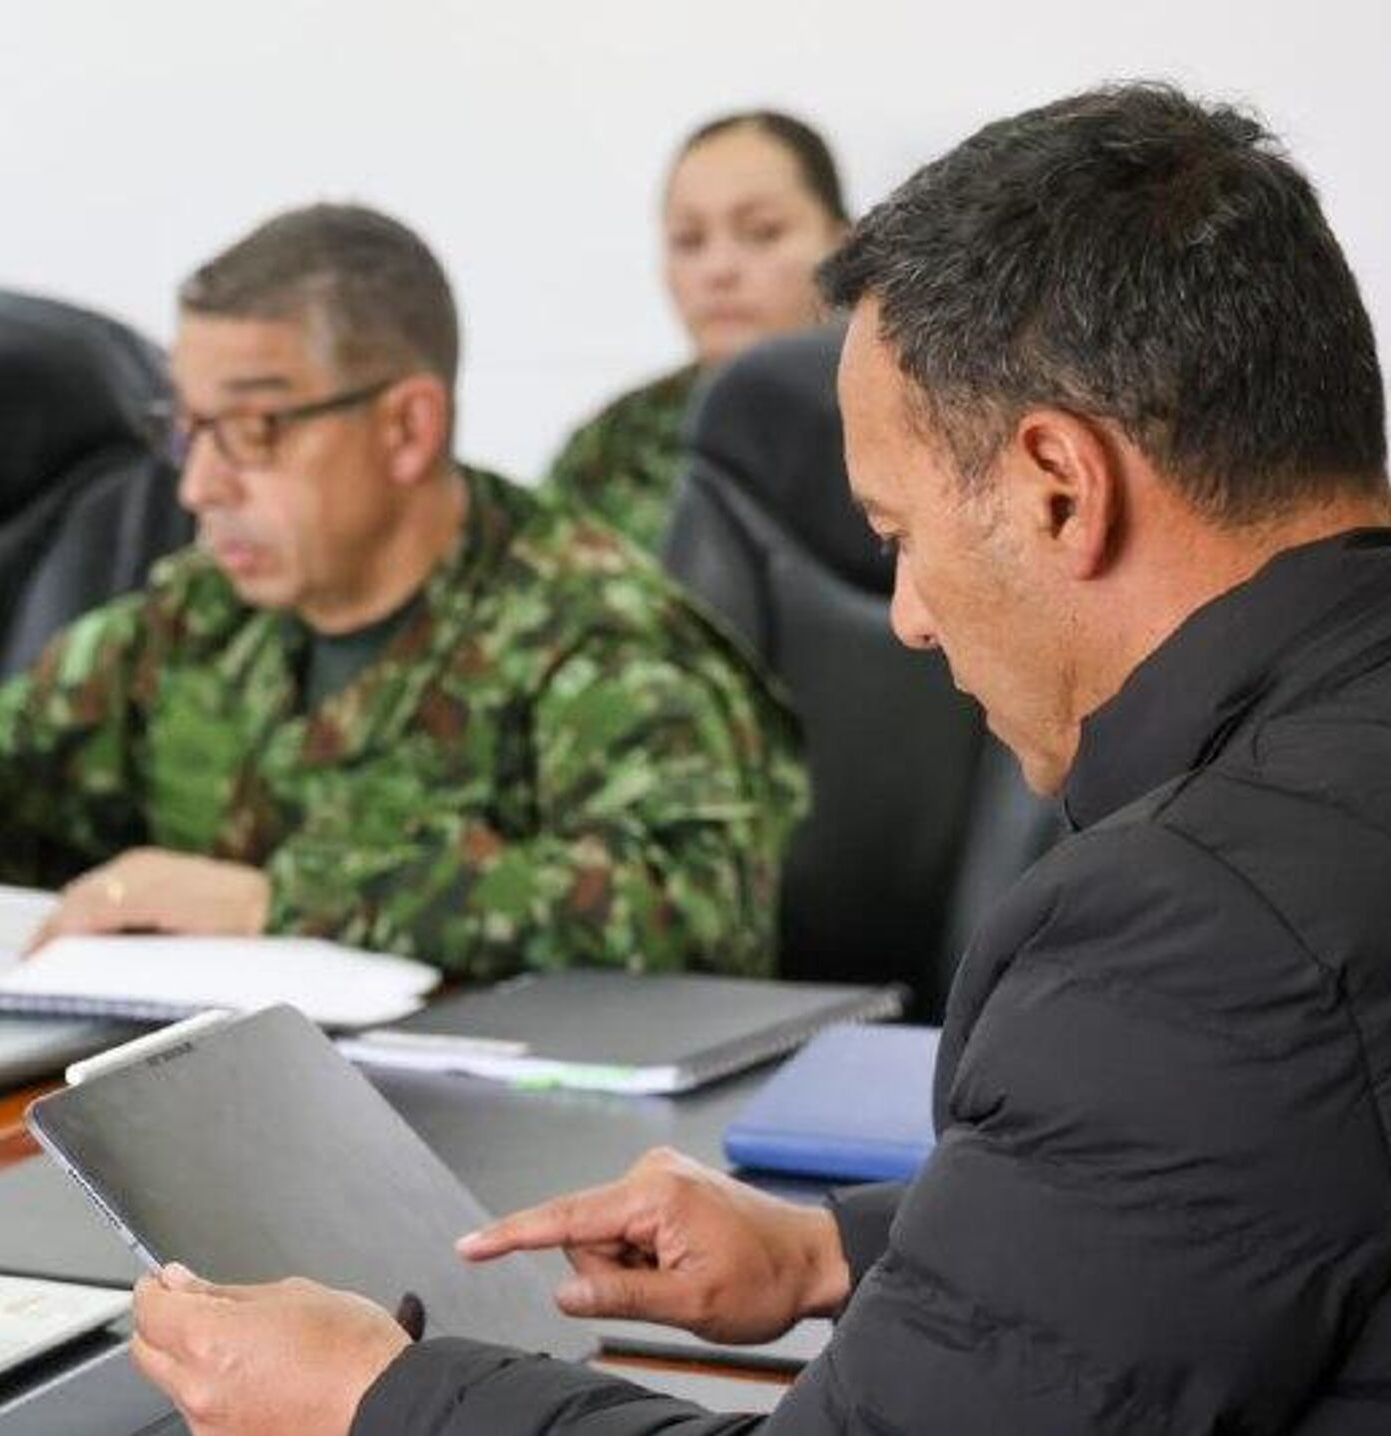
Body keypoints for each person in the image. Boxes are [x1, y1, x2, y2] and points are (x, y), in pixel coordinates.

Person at [128, 84, 1391, 1434]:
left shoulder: (1194, 923)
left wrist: (378, 1396)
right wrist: (836, 1248)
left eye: (898, 536)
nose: (907, 617)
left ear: (1059, 487)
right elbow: (1253, 1174)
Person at [0, 203, 804, 978]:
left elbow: (693, 910)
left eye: (254, 430)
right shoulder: (204, 614)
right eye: (188, 429)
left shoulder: (596, 632)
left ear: (407, 427)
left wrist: (277, 901)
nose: (201, 486)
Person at [547, 111, 849, 554]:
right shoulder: (613, 448)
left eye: (762, 233)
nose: (718, 269)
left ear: (842, 247)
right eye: (689, 240)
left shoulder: (910, 418)